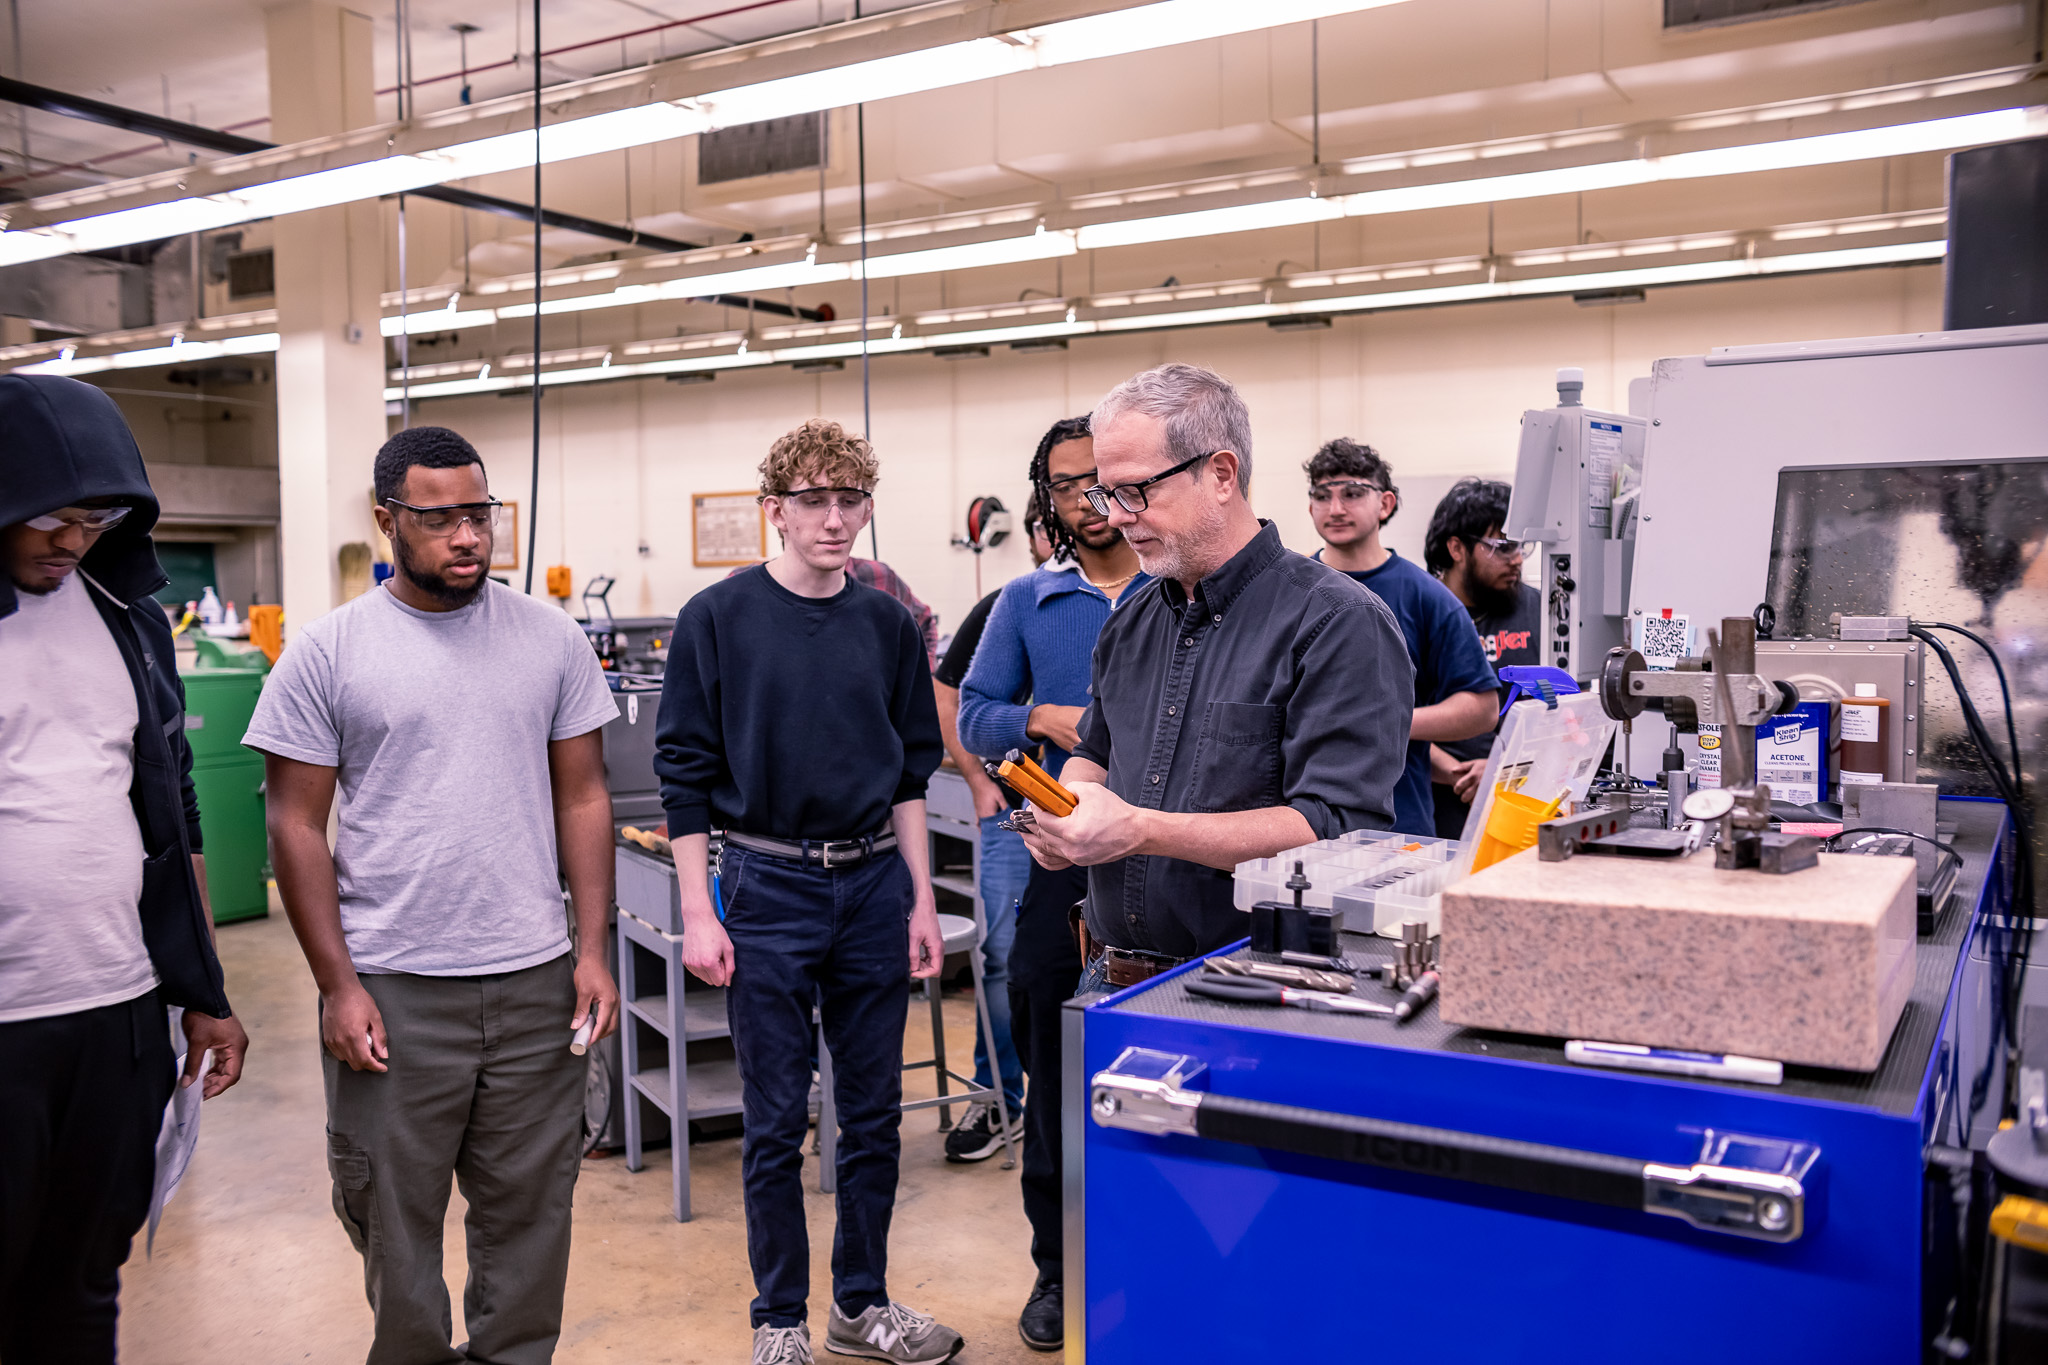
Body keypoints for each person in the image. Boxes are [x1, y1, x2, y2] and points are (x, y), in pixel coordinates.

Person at [247, 425, 621, 1365]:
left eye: (480, 513)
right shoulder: (328, 653)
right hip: (396, 986)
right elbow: (293, 823)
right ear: (387, 521)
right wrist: (337, 982)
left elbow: (583, 793)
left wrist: (591, 949)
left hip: (535, 980)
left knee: (532, 1214)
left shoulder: (549, 639)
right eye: (440, 516)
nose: (468, 535)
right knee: (393, 1220)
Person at [655, 418, 962, 1365]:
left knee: (871, 1116)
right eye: (814, 501)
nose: (835, 520)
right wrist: (700, 909)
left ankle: (860, 1306)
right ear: (774, 511)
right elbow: (684, 774)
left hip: (872, 882)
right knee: (777, 1118)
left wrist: (919, 899)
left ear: (866, 507)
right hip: (763, 883)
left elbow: (912, 774)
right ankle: (779, 1319)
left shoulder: (886, 623)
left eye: (850, 501)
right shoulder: (717, 617)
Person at [0, 373, 248, 1363]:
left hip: (116, 1010)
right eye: (51, 518)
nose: (71, 541)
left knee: (85, 1275)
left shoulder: (125, 617)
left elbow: (173, 806)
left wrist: (204, 989)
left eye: (98, 519)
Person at [956, 416, 1150, 1351]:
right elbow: (978, 716)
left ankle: (1155, 1262)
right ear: (1048, 498)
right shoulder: (1027, 602)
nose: (1088, 500)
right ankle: (1056, 1271)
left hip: (1170, 866)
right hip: (1058, 868)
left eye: (1101, 481)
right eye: (1069, 485)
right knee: (1052, 1069)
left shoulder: (1178, 588)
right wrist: (1045, 715)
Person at [928, 489, 1053, 1166]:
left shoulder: (1143, 596)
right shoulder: (1010, 604)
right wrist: (979, 780)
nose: (1053, 534)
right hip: (1013, 816)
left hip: (1110, 820)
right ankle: (998, 1096)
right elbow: (948, 693)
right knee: (1003, 956)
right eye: (1041, 525)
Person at [1304, 439, 1498, 837]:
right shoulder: (1287, 590)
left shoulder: (1427, 598)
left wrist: (1387, 722)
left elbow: (1481, 708)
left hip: (1398, 825)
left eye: (1353, 494)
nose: (1336, 508)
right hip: (1300, 823)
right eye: (1322, 496)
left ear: (1386, 504)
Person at [1424, 477, 1542, 839]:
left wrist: (1502, 768)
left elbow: (1566, 713)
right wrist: (1454, 772)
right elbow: (1391, 717)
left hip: (1523, 791)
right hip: (1438, 798)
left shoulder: (1543, 611)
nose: (1517, 559)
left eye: (1521, 546)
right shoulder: (1420, 613)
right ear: (1457, 549)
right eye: (1501, 547)